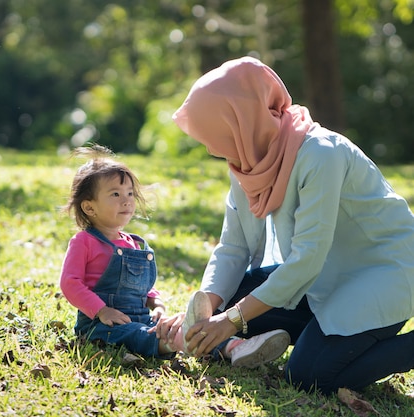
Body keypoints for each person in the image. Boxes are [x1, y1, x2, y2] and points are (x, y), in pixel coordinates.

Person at [163, 55, 414, 394]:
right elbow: (233, 246)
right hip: (322, 277)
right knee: (231, 298)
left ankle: (353, 340)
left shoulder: (321, 154)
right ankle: (324, 332)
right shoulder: (248, 160)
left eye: (215, 134)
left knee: (310, 376)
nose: (210, 148)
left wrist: (232, 320)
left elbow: (307, 258)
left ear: (240, 122)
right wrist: (208, 306)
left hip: (381, 274)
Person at [60, 144, 289, 365]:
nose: (127, 199)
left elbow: (140, 287)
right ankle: (185, 343)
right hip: (101, 325)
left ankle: (236, 347)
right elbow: (70, 283)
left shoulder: (134, 243)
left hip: (140, 317)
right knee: (141, 335)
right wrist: (101, 310)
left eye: (130, 193)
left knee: (168, 327)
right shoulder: (84, 242)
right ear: (89, 207)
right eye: (115, 194)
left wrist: (156, 303)